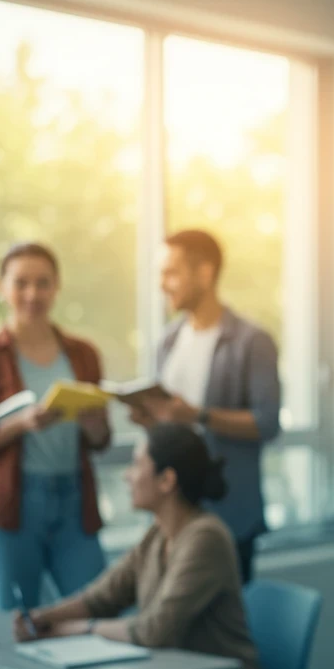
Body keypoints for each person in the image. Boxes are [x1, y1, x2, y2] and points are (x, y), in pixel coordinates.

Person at [14, 423, 269, 669]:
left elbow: (153, 630)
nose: (127, 475)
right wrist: (45, 616)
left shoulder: (206, 537)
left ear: (167, 480)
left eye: (137, 464)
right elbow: (103, 596)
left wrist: (75, 630)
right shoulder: (157, 536)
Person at [0, 243, 111, 610]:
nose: (32, 294)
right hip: (12, 505)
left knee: (95, 607)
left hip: (74, 499)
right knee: (14, 620)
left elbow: (102, 440)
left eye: (43, 283)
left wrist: (93, 427)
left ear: (57, 287)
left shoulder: (83, 353)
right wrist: (21, 424)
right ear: (1, 287)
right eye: (21, 283)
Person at [130, 229, 281, 584]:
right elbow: (169, 423)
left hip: (228, 511)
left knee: (224, 627)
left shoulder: (251, 341)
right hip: (173, 512)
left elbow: (267, 423)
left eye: (171, 273)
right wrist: (151, 420)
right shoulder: (168, 340)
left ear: (205, 272)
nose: (163, 284)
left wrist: (197, 415)